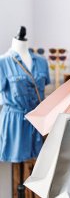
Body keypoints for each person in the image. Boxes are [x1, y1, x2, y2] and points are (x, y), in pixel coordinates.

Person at [0, 26, 50, 163]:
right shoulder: (3, 62)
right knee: (18, 164)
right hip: (15, 122)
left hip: (38, 121)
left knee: (39, 163)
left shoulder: (41, 61)